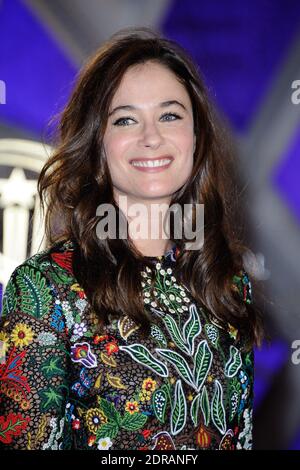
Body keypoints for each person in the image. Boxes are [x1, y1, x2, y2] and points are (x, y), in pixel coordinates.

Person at [0, 26, 264, 450]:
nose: (151, 137)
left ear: (196, 138)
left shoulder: (228, 283)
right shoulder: (46, 289)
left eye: (170, 114)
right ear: (97, 142)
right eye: (125, 119)